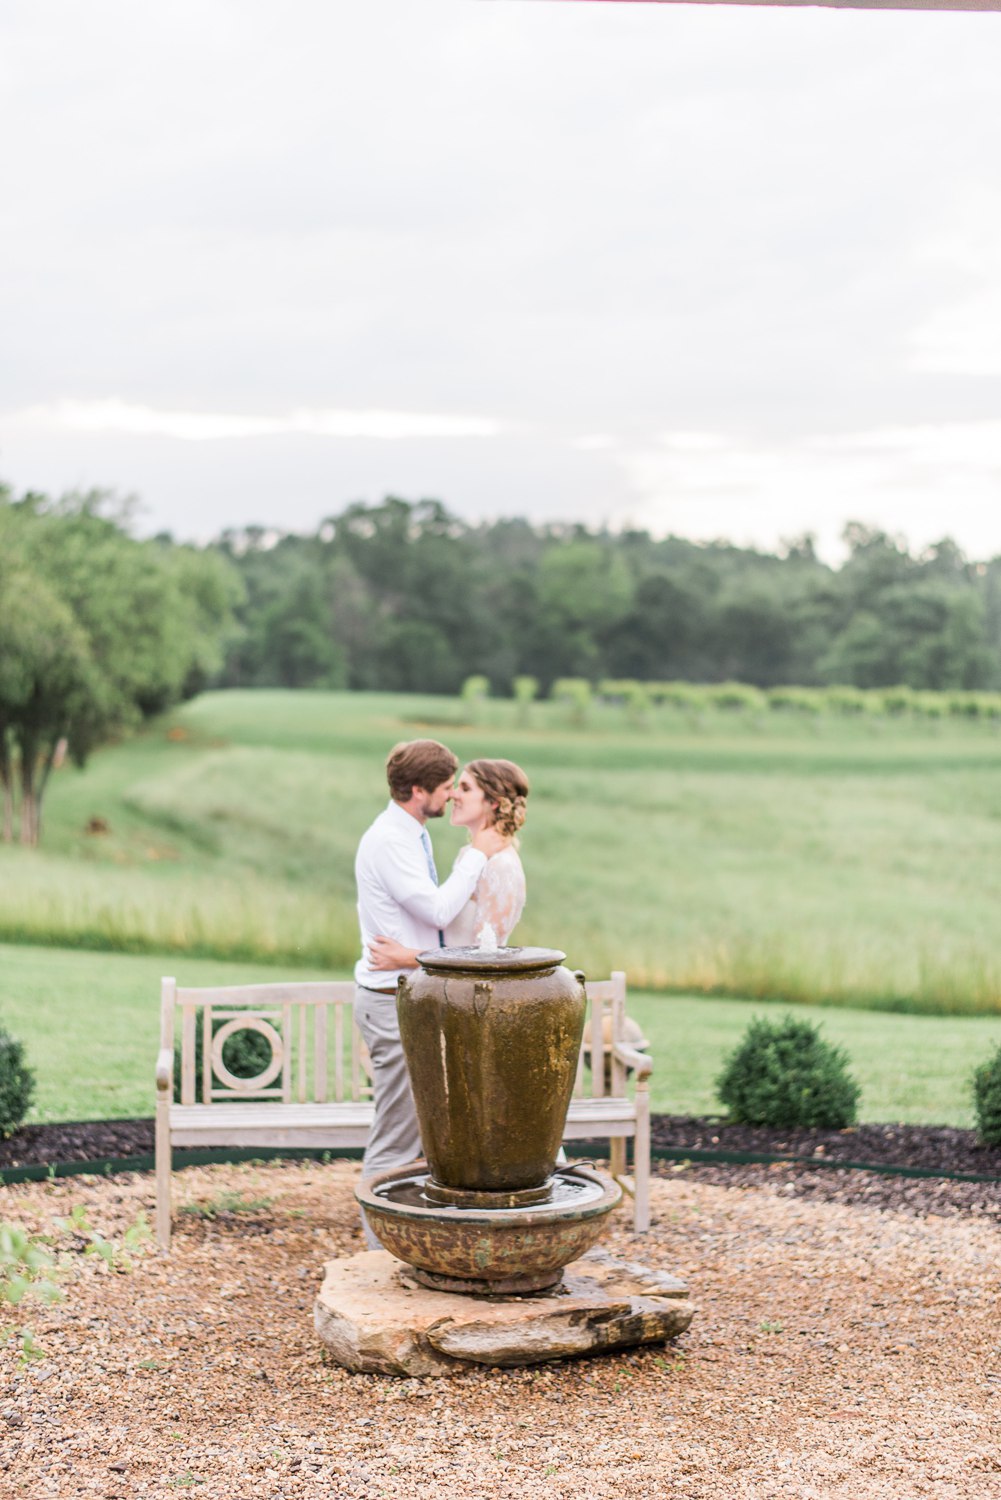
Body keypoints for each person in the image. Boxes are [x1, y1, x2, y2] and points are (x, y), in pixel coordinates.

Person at [353, 739, 504, 1245]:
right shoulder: (391, 841)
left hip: (409, 991)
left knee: (418, 1131)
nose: (449, 797)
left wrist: (414, 956)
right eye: (444, 788)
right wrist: (476, 857)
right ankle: (375, 1253)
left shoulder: (409, 832)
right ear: (418, 791)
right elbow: (437, 914)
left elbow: (429, 930)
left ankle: (410, 1237)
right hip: (389, 1000)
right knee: (396, 1136)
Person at [368, 757, 530, 967]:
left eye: (465, 788)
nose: (453, 794)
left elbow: (488, 957)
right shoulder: (468, 855)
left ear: (493, 802)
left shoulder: (502, 865)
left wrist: (408, 958)